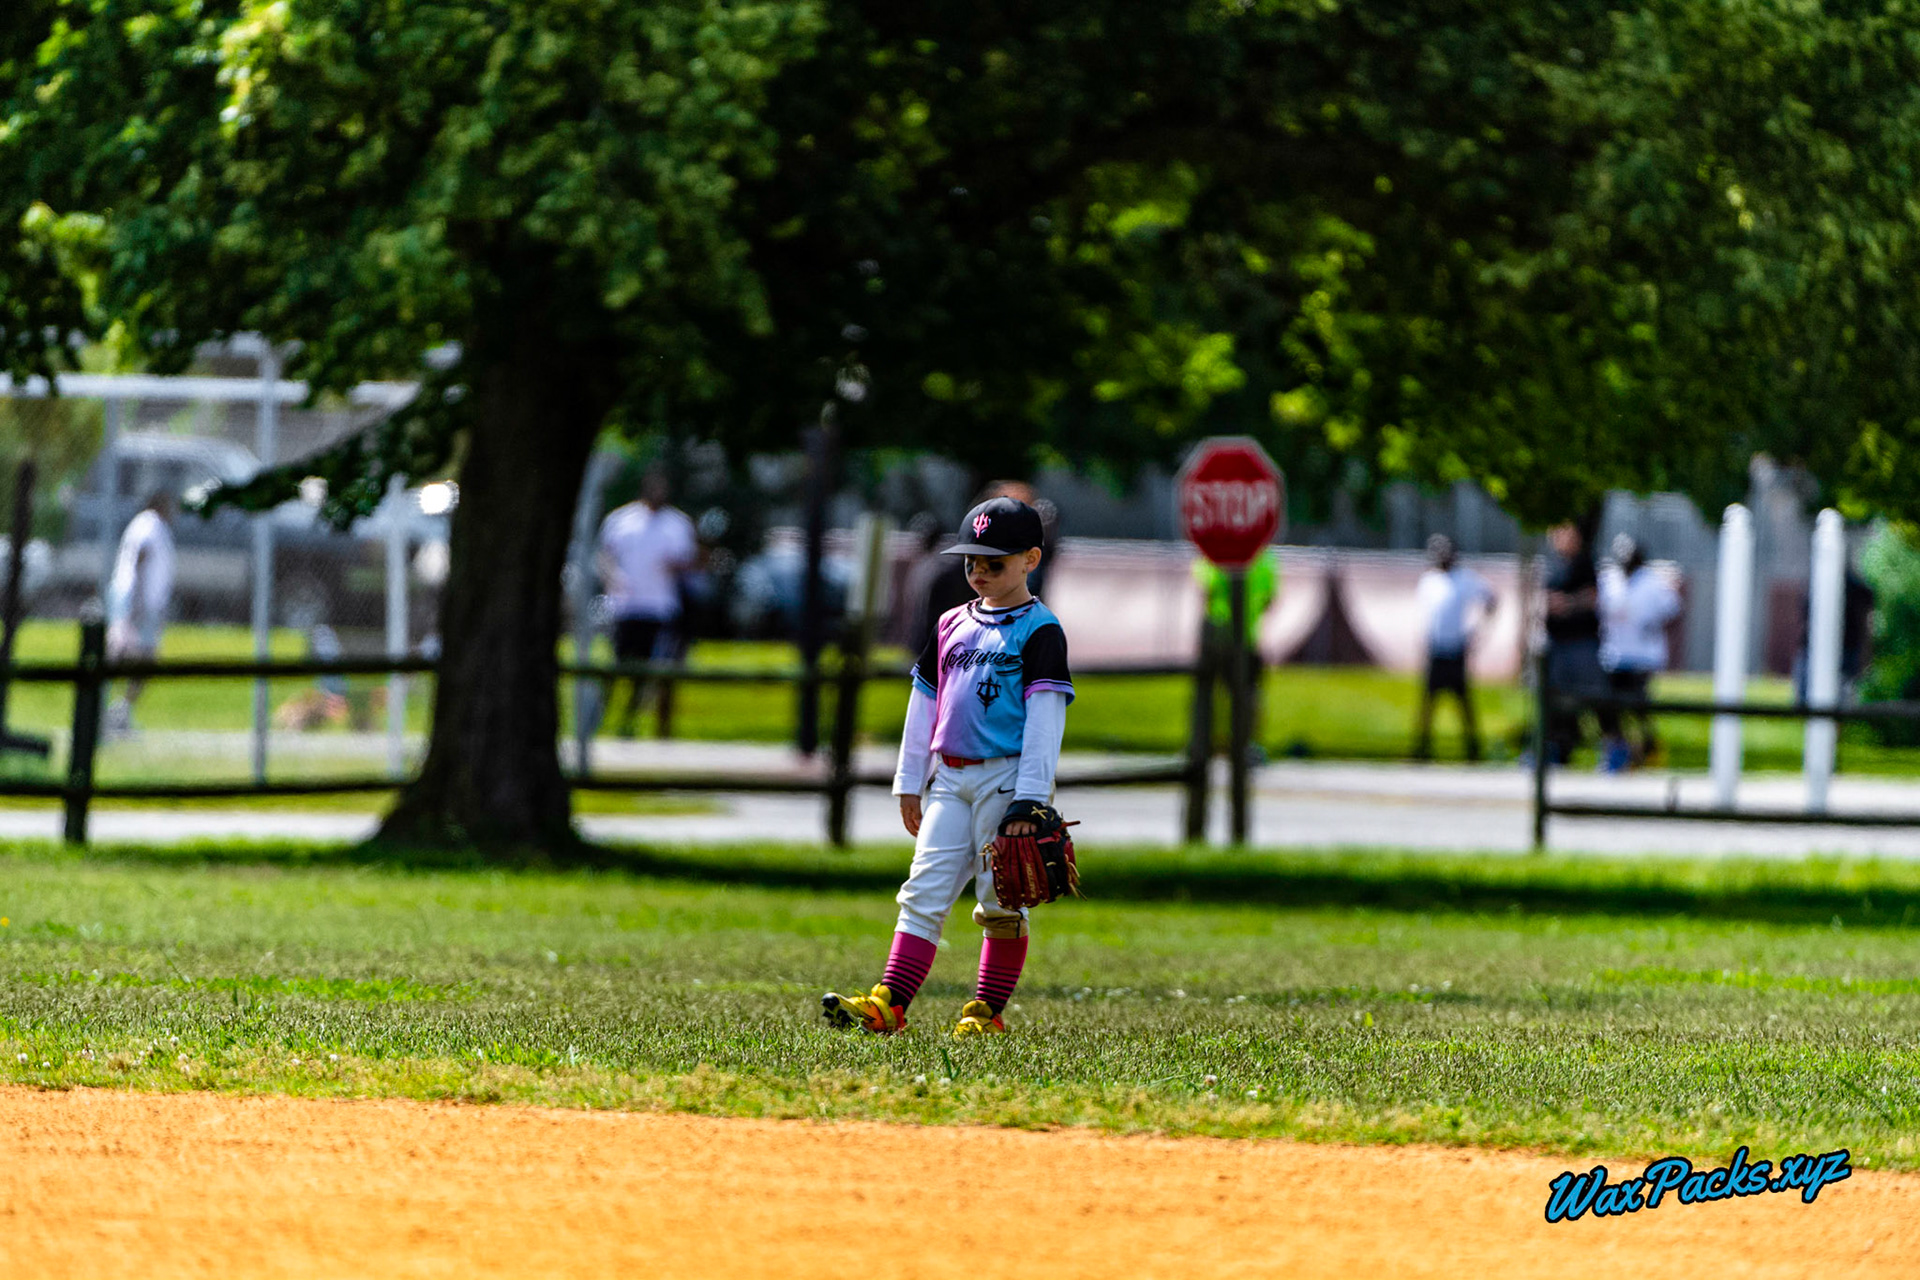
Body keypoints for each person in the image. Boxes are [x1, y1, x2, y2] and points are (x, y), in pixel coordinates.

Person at [821, 496, 1073, 1037]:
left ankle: (986, 1012)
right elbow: (923, 705)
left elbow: (1046, 718)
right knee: (923, 888)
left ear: (1031, 559)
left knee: (1000, 897)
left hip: (1005, 779)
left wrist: (1031, 798)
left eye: (994, 562)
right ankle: (889, 1003)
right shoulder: (949, 624)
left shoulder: (1040, 629)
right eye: (971, 561)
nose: (979, 571)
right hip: (950, 778)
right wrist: (909, 780)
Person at [596, 469, 697, 737]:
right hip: (625, 604)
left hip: (660, 606)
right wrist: (613, 577)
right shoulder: (621, 519)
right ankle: (599, 718)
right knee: (617, 664)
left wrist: (676, 565)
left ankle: (632, 720)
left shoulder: (678, 523)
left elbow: (689, 561)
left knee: (651, 669)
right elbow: (604, 556)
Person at [1597, 534, 1682, 771]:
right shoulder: (1609, 579)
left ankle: (1648, 746)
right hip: (1614, 653)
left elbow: (1673, 612)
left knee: (1638, 705)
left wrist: (1654, 628)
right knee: (1609, 705)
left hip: (1643, 655)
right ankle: (1619, 748)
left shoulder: (1652, 582)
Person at [1190, 549, 1279, 763]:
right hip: (1246, 635)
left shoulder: (1217, 553)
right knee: (1246, 697)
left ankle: (1202, 745)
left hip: (1219, 631)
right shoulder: (1264, 558)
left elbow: (1206, 588)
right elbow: (1270, 598)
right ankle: (1244, 747)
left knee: (1209, 694)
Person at [1413, 534, 1496, 761]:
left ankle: (1472, 749)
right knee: (1428, 704)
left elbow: (1491, 600)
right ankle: (1421, 749)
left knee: (1464, 704)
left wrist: (1478, 631)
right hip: (1435, 649)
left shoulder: (1465, 579)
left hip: (1456, 650)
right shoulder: (1428, 580)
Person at [104, 492, 176, 736]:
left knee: (127, 656)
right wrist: (138, 604)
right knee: (138, 657)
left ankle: (116, 713)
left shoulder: (150, 525)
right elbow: (140, 560)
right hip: (137, 601)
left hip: (140, 602)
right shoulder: (150, 524)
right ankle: (113, 713)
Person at [1541, 518, 1604, 764]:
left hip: (1582, 643)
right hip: (1558, 643)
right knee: (1557, 700)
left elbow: (1592, 597)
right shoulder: (1555, 565)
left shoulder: (1585, 563)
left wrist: (1567, 604)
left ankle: (1614, 748)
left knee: (1594, 697)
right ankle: (1559, 748)